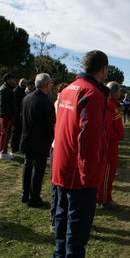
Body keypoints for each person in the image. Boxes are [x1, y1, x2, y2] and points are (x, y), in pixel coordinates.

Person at [51, 50, 109, 258]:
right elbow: (89, 137)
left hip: (61, 165)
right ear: (104, 69)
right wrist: (88, 175)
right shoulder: (92, 94)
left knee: (61, 220)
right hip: (79, 172)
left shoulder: (67, 89)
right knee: (77, 232)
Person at [20, 73, 56, 207]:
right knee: (38, 169)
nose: (52, 86)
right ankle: (34, 198)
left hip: (26, 138)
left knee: (27, 165)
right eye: (51, 83)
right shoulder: (46, 102)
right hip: (40, 141)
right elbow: (50, 124)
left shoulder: (26, 98)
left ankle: (25, 194)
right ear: (47, 85)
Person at [97, 81, 124, 210]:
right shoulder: (108, 105)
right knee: (108, 172)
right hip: (109, 145)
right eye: (119, 90)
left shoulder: (112, 104)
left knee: (109, 172)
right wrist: (116, 136)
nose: (120, 92)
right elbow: (107, 128)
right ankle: (105, 199)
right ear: (114, 91)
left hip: (112, 144)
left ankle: (102, 196)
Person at [50, 82, 69, 234]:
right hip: (58, 146)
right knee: (57, 188)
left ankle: (59, 220)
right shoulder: (60, 103)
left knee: (62, 187)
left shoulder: (62, 102)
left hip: (60, 146)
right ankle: (55, 221)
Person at [0, 73, 17, 160]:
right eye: (12, 78)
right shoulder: (5, 89)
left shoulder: (8, 89)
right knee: (5, 134)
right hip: (7, 116)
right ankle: (3, 152)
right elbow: (3, 104)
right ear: (7, 80)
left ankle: (4, 150)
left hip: (8, 115)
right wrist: (10, 115)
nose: (14, 80)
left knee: (6, 133)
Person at [10, 78, 27, 153]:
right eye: (22, 82)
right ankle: (14, 148)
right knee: (16, 132)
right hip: (16, 115)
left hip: (20, 114)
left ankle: (17, 148)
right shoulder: (16, 91)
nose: (23, 84)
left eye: (25, 83)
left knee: (19, 131)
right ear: (19, 83)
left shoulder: (22, 92)